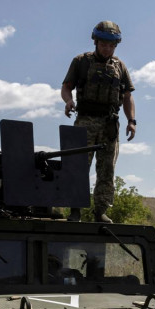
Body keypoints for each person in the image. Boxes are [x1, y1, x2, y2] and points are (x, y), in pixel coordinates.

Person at [61, 21, 136, 223]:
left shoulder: (120, 66)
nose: (107, 49)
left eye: (111, 46)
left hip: (109, 124)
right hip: (85, 120)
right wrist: (69, 101)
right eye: (104, 45)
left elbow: (127, 96)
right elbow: (66, 86)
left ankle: (100, 211)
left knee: (107, 170)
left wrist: (132, 121)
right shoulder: (81, 62)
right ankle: (75, 210)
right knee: (78, 166)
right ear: (96, 42)